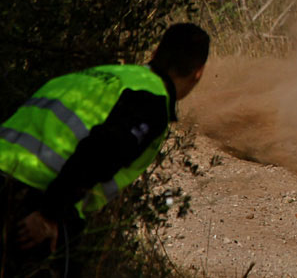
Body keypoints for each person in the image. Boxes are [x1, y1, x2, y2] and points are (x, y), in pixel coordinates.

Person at [0, 23, 209, 275]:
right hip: (34, 195)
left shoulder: (98, 75)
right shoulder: (150, 98)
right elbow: (100, 152)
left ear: (155, 53)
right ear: (198, 72)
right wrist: (49, 214)